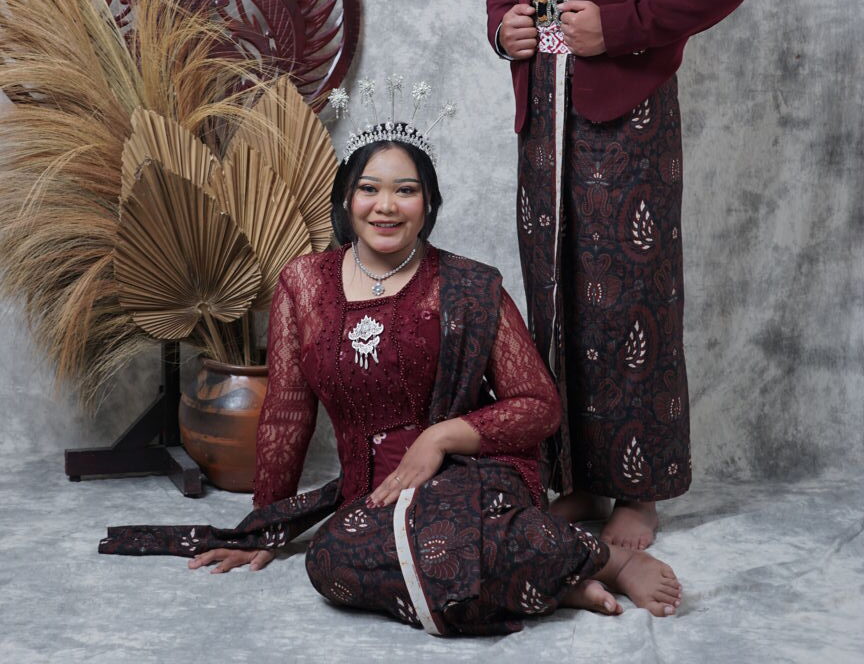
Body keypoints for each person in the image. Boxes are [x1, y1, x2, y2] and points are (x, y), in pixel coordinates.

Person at [99, 111, 682, 635]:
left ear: (428, 203)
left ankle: (610, 561)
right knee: (331, 561)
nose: (386, 205)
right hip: (374, 498)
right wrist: (265, 524)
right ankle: (553, 576)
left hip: (471, 474)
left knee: (450, 536)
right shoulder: (303, 284)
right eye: (369, 188)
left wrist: (440, 438)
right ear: (346, 199)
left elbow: (538, 406)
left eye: (406, 190)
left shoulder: (470, 286)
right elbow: (286, 413)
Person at [486, 0, 747, 551]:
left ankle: (639, 488)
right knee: (555, 289)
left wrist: (622, 26)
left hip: (626, 102)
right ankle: (575, 478)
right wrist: (504, 27)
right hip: (542, 109)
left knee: (632, 293)